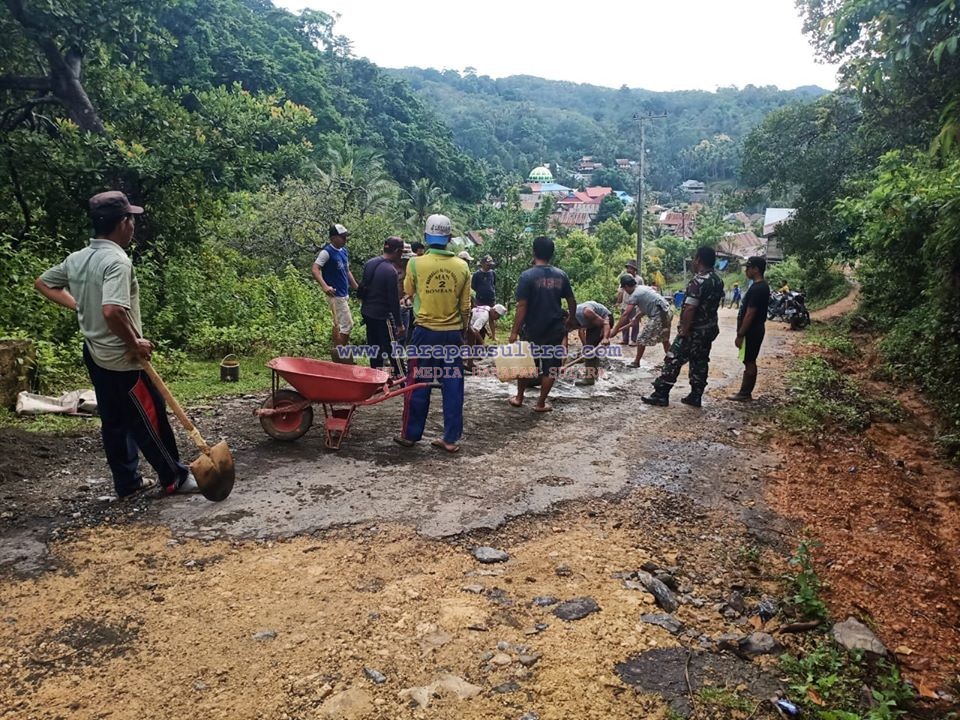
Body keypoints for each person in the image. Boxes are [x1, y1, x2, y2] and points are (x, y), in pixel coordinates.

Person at [34, 191, 198, 498]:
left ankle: (127, 482)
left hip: (94, 353)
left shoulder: (78, 258)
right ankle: (174, 478)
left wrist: (80, 306)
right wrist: (134, 342)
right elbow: (112, 310)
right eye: (131, 219)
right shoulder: (117, 261)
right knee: (150, 417)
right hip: (122, 358)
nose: (133, 225)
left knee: (114, 420)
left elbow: (44, 282)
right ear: (123, 222)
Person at [395, 214, 471, 453]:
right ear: (449, 238)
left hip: (425, 334)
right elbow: (465, 306)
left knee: (418, 382)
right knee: (453, 384)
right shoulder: (462, 266)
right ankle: (450, 438)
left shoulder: (415, 263)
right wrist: (463, 332)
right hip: (452, 334)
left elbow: (408, 290)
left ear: (426, 237)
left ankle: (410, 435)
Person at [642, 246, 724, 408]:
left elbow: (690, 307)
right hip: (708, 329)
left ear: (698, 259)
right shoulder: (717, 280)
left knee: (673, 358)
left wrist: (684, 330)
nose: (693, 261)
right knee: (700, 361)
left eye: (694, 258)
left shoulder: (698, 281)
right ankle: (696, 395)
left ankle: (661, 394)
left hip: (693, 330)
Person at [508, 236, 576, 412]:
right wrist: (571, 318)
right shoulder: (561, 275)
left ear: (534, 252)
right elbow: (571, 300)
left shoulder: (527, 276)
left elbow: (522, 306)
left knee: (525, 364)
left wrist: (514, 331)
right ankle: (540, 403)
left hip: (531, 329)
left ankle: (519, 397)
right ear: (552, 254)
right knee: (551, 367)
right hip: (554, 329)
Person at [312, 223, 358, 362]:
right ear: (333, 238)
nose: (345, 239)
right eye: (342, 237)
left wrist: (356, 287)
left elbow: (347, 271)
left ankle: (339, 354)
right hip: (335, 294)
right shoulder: (326, 252)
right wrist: (325, 286)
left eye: (345, 237)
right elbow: (315, 269)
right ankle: (340, 356)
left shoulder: (343, 251)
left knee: (338, 324)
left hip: (344, 293)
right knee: (347, 324)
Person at [359, 236, 405, 375]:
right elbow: (393, 301)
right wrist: (399, 324)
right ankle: (402, 377)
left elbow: (362, 288)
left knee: (374, 347)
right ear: (397, 251)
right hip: (382, 315)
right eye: (401, 251)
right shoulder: (390, 271)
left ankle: (375, 376)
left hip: (367, 312)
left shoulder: (370, 263)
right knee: (393, 347)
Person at [729, 257, 770, 401]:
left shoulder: (758, 288)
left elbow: (750, 313)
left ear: (756, 269)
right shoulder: (758, 286)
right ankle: (745, 392)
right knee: (748, 360)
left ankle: (745, 393)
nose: (746, 270)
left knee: (750, 361)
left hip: (752, 330)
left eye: (748, 268)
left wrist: (741, 334)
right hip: (753, 329)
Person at [609, 276, 673, 367]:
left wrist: (615, 330)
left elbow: (625, 314)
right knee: (665, 339)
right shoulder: (643, 288)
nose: (625, 291)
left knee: (641, 339)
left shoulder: (635, 295)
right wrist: (637, 317)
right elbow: (649, 304)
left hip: (659, 315)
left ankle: (636, 362)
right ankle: (671, 362)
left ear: (626, 286)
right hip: (667, 312)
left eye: (624, 289)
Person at [571, 301, 612, 386]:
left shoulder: (586, 313)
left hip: (605, 319)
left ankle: (589, 379)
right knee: (589, 349)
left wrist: (605, 338)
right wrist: (585, 346)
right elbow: (581, 331)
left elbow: (605, 322)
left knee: (590, 349)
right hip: (594, 323)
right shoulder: (574, 317)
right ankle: (594, 374)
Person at [464, 302, 507, 373]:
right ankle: (469, 363)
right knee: (471, 339)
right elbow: (475, 330)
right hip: (466, 323)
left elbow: (491, 322)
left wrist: (493, 336)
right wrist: (483, 343)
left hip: (469, 321)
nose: (498, 318)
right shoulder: (484, 316)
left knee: (471, 339)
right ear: (495, 312)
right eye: (498, 316)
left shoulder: (488, 308)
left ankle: (468, 360)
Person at [617, 260, 640, 346]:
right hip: (625, 303)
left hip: (635, 304)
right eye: (628, 268)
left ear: (634, 270)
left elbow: (640, 291)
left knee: (635, 322)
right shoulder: (624, 278)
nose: (628, 270)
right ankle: (625, 339)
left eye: (630, 268)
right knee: (624, 321)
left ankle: (634, 339)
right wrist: (618, 301)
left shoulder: (639, 279)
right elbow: (621, 291)